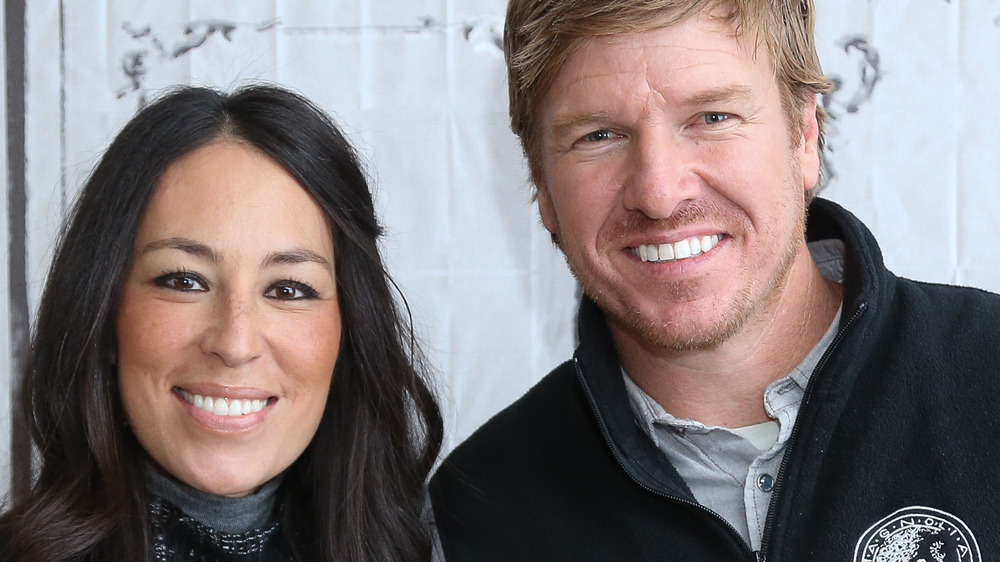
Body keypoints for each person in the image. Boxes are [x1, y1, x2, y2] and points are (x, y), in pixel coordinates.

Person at [429, 0, 1000, 560]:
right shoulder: (478, 513)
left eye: (712, 118)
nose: (658, 192)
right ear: (541, 186)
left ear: (804, 136)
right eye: (599, 135)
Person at [0, 84, 443, 561]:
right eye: (185, 281)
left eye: (288, 289)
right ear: (105, 312)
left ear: (350, 328)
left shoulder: (425, 545)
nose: (234, 343)